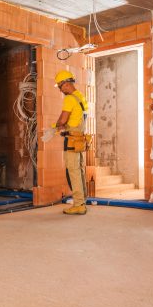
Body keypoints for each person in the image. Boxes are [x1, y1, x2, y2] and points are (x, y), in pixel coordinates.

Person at [53, 70, 88, 215]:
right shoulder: (80, 96)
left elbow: (63, 120)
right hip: (79, 139)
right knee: (79, 170)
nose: (60, 90)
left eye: (60, 87)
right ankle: (82, 200)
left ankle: (79, 204)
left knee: (73, 171)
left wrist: (56, 127)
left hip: (71, 139)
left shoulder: (69, 99)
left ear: (66, 84)